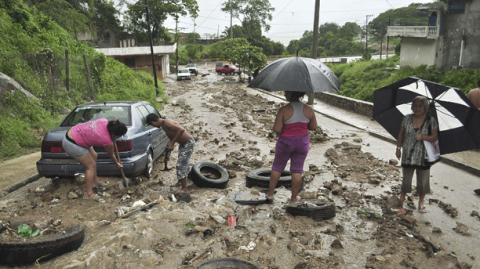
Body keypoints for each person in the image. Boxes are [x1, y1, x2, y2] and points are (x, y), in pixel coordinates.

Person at [266, 91, 318, 204]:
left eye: (286, 92)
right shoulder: (308, 109)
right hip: (302, 143)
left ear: (290, 94)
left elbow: (277, 129)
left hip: (285, 143)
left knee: (277, 168)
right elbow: (313, 127)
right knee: (297, 171)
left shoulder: (284, 110)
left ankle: (270, 195)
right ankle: (294, 198)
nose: (285, 94)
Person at [62, 118, 127, 200]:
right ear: (116, 135)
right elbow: (111, 155)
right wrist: (117, 163)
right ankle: (89, 194)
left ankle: (95, 182)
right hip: (72, 143)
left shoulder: (104, 121)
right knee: (91, 166)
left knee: (94, 156)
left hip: (72, 133)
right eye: (119, 136)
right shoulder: (107, 141)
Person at [396, 96, 438, 213]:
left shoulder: (431, 120)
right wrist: (398, 148)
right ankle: (402, 200)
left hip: (424, 156)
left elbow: (434, 137)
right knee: (406, 178)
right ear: (412, 106)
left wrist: (423, 137)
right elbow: (401, 134)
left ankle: (421, 202)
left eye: (420, 106)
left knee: (423, 180)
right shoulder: (407, 118)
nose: (417, 108)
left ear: (425, 107)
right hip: (408, 154)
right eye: (415, 105)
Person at [146, 113, 195, 194]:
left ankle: (185, 189)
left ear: (153, 123)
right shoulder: (164, 126)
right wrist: (168, 153)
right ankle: (180, 182)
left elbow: (181, 129)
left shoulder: (166, 122)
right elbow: (172, 137)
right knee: (182, 162)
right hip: (183, 144)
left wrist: (172, 143)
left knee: (181, 165)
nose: (154, 127)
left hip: (188, 143)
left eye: (152, 125)